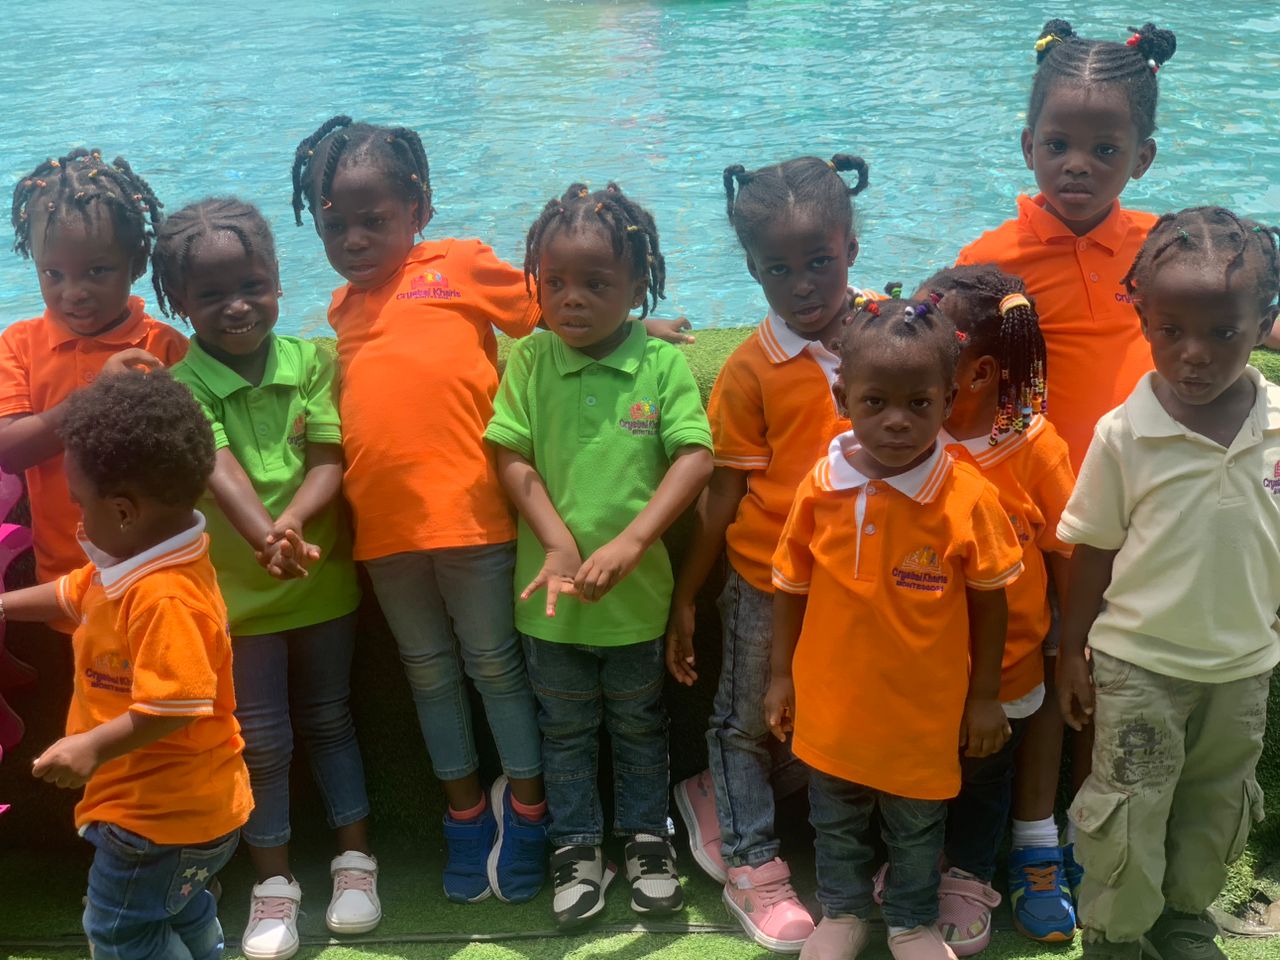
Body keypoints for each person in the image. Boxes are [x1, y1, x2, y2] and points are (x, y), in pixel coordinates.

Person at [289, 115, 694, 905]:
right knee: (429, 676)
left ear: (421, 210)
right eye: (334, 222)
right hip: (385, 536)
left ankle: (534, 813)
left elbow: (555, 312)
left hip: (474, 522)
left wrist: (644, 326)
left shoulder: (461, 265)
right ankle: (465, 812)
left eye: (375, 219)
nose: (354, 239)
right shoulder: (339, 310)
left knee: (495, 670)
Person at [954, 20, 1178, 933]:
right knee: (1048, 673)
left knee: (1113, 674)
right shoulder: (991, 259)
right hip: (1033, 511)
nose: (1076, 164)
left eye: (1104, 147)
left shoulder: (1164, 246)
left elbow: (1236, 311)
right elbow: (934, 354)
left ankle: (1095, 828)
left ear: (1144, 156)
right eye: (1057, 144)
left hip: (1142, 506)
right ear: (1027, 145)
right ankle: (1036, 839)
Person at [765, 295, 1022, 960]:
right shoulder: (823, 485)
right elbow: (789, 585)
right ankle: (844, 914)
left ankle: (911, 921)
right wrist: (779, 679)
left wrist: (986, 696)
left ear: (951, 399)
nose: (898, 422)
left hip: (922, 715)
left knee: (916, 830)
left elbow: (993, 603)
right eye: (876, 402)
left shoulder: (967, 498)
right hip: (833, 706)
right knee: (837, 821)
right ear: (843, 395)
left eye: (919, 404)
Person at [485, 182, 713, 930]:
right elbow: (510, 455)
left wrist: (632, 541)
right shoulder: (532, 362)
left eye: (596, 284)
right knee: (565, 730)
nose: (570, 300)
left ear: (638, 286)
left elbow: (694, 458)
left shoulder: (659, 366)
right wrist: (556, 540)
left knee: (642, 725)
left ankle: (649, 841)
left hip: (637, 602)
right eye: (554, 283)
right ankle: (576, 847)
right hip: (549, 603)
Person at [1056, 207, 1280, 960]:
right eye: (1170, 331)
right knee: (1128, 809)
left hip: (1243, 668)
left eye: (1223, 333)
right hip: (1141, 666)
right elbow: (1091, 549)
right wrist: (1070, 654)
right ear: (1142, 318)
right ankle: (1116, 936)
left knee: (1216, 808)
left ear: (1264, 323)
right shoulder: (1126, 434)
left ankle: (1184, 917)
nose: (1194, 355)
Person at [158, 199, 378, 960]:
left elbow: (328, 460)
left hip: (321, 585)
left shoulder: (313, 363)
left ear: (280, 282)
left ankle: (355, 864)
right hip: (238, 599)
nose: (237, 306)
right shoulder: (180, 383)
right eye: (211, 294)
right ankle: (274, 884)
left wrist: (289, 528)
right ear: (176, 303)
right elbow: (217, 470)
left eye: (253, 284)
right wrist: (266, 535)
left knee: (330, 721)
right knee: (261, 742)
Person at [665, 152, 874, 953]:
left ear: (851, 247)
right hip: (767, 580)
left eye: (820, 261)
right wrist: (689, 594)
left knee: (843, 720)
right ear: (751, 269)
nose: (803, 285)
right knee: (746, 722)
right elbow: (722, 495)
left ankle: (729, 799)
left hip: (866, 582)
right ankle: (753, 861)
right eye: (777, 270)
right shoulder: (753, 369)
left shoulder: (891, 336)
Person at [4, 369, 250, 960]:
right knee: (183, 905)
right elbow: (73, 593)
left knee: (118, 931)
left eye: (80, 505)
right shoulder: (135, 558)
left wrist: (91, 748)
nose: (78, 521)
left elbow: (177, 702)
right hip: (189, 812)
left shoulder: (164, 593)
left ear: (123, 510)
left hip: (159, 818)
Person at [919, 266, 1076, 952]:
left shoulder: (1034, 446)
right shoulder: (906, 438)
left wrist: (1069, 647)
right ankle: (915, 865)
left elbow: (1067, 550)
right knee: (923, 773)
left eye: (929, 350)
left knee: (986, 777)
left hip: (1008, 667)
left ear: (978, 375)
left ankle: (972, 874)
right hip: (916, 665)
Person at [0, 149, 187, 603]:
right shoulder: (19, 344)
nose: (74, 292)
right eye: (53, 273)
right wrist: (98, 396)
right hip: (61, 582)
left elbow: (188, 460)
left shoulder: (162, 346)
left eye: (96, 271)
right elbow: (9, 450)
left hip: (156, 571)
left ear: (137, 263)